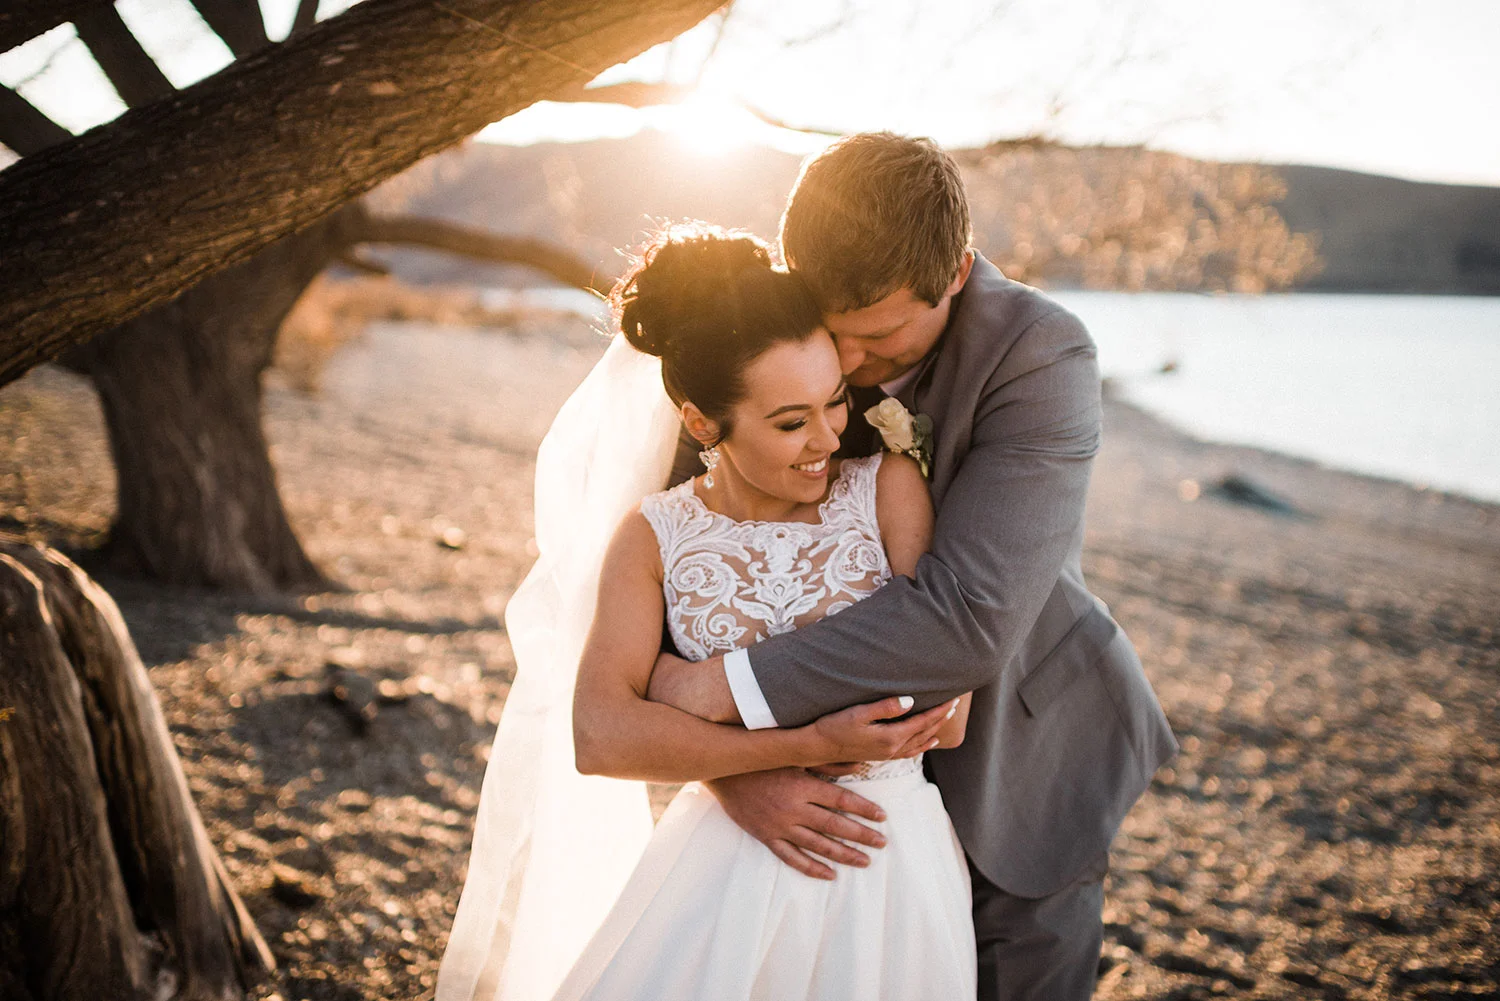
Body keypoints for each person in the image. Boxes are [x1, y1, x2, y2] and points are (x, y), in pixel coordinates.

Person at [645, 133, 1179, 1000]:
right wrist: (738, 768)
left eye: (883, 334)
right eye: (833, 330)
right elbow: (693, 564)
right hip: (816, 786)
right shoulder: (758, 341)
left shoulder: (1043, 355)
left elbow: (966, 617)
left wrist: (721, 692)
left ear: (958, 272)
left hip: (1023, 749)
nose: (847, 367)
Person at [435, 224, 978, 1001]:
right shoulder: (655, 536)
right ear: (702, 424)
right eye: (790, 422)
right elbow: (600, 734)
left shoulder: (885, 488)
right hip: (727, 862)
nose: (826, 437)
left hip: (887, 869)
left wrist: (694, 700)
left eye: (833, 402)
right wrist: (780, 757)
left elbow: (945, 711)